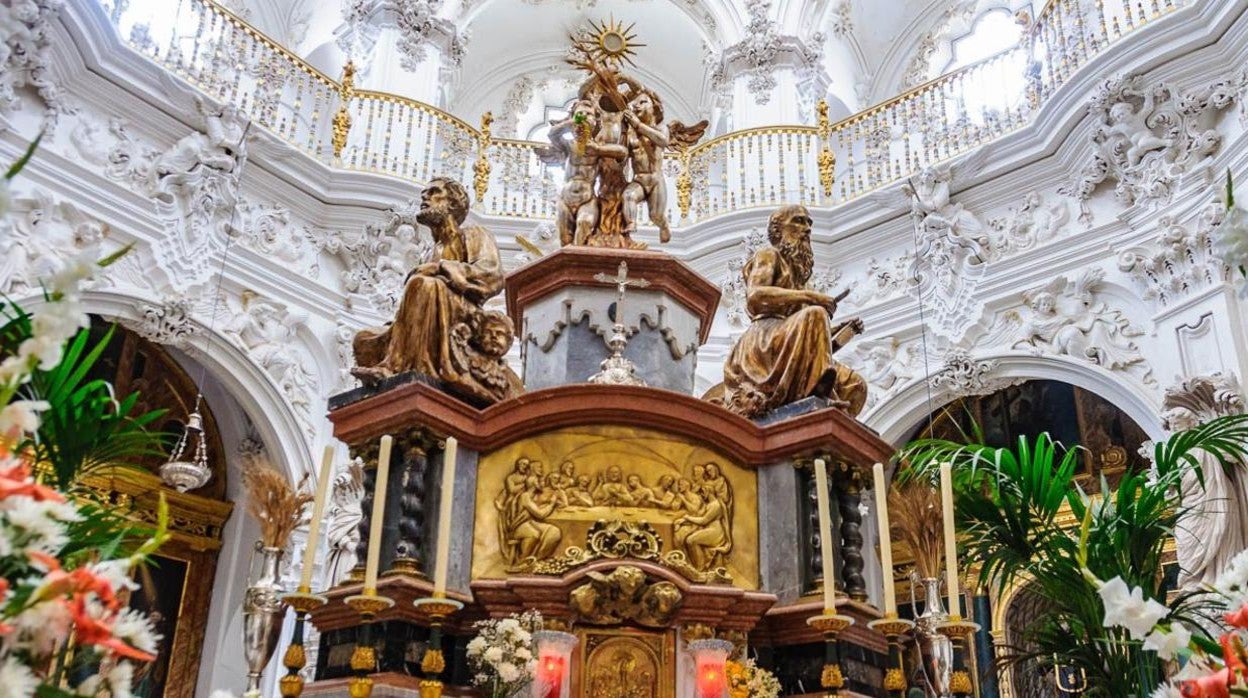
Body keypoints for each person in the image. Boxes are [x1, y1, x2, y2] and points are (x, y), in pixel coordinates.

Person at [351, 177, 519, 405]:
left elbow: (492, 275)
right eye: (424, 194)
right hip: (432, 306)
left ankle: (396, 367)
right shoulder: (431, 250)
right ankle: (393, 362)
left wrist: (440, 268)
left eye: (433, 192)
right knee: (364, 339)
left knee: (424, 285)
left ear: (452, 203)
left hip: (464, 314)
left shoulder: (473, 234)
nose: (425, 197)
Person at [711, 204, 868, 418]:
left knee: (855, 385)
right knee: (816, 314)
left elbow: (813, 349)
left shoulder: (800, 277)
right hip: (763, 341)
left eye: (809, 223)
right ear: (778, 230)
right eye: (798, 221)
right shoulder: (769, 255)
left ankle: (831, 423)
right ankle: (821, 399)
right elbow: (755, 296)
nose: (807, 229)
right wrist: (812, 298)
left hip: (787, 342)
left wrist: (843, 331)